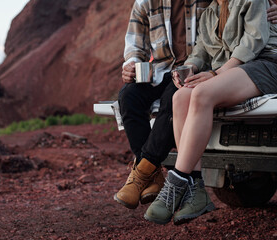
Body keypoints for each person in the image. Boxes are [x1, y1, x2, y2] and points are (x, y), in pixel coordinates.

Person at [115, 0, 277, 210]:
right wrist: (132, 64)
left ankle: (171, 180)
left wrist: (212, 73)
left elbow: (252, 40)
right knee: (130, 96)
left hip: (242, 66)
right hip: (165, 71)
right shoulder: (206, 10)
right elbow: (197, 49)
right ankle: (155, 176)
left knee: (182, 94)